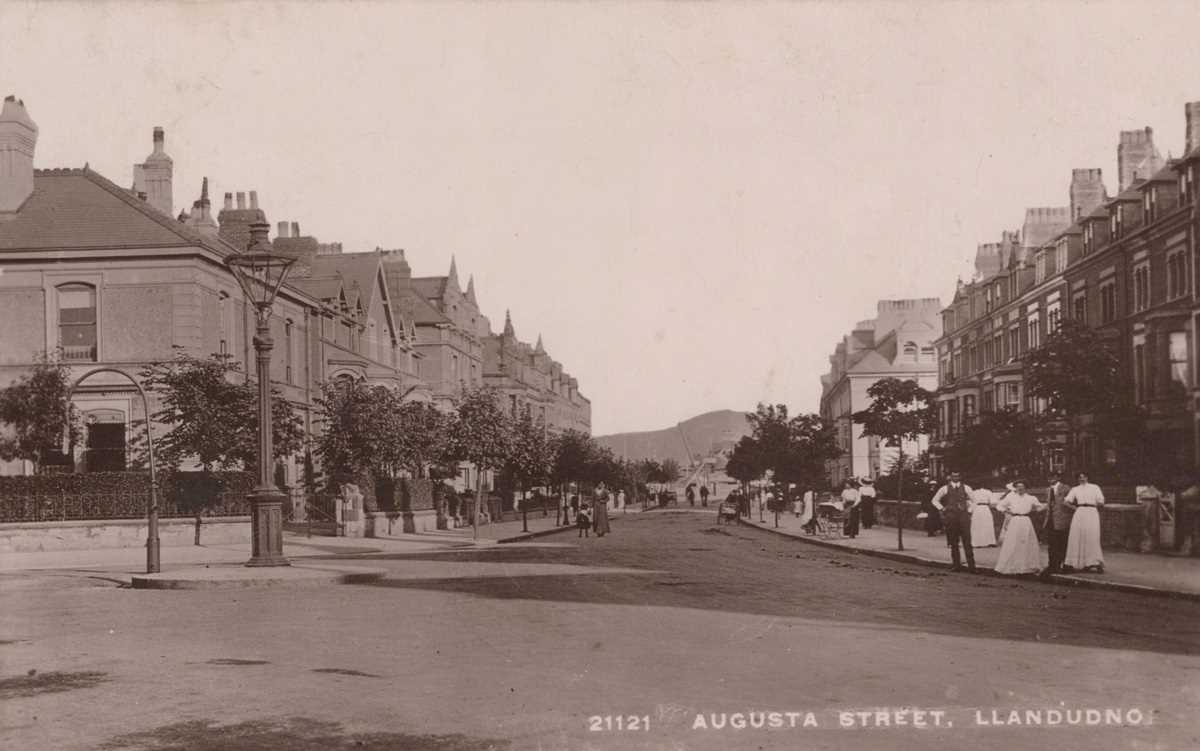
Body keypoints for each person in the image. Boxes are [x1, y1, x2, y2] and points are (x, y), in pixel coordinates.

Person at [993, 480, 1046, 575]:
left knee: (1026, 542)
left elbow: (1039, 507)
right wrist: (1006, 511)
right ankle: (1013, 565)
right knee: (1013, 542)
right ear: (1015, 488)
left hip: (1026, 521)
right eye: (1018, 486)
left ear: (1025, 488)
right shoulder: (1011, 497)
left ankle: (1028, 566)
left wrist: (1048, 505)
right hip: (1015, 520)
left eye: (1022, 486)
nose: (1020, 488)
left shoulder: (1031, 498)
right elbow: (999, 506)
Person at [930, 472, 976, 572]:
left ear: (960, 477)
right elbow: (934, 500)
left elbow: (974, 500)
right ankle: (956, 565)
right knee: (954, 542)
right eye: (953, 476)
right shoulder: (944, 488)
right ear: (950, 477)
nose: (955, 477)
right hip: (951, 517)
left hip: (963, 517)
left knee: (967, 541)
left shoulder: (966, 488)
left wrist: (969, 510)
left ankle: (972, 566)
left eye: (957, 475)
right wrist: (942, 509)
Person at [1064, 472, 1105, 572]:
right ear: (1077, 479)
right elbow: (1066, 501)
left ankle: (1093, 562)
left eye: (1084, 477)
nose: (1082, 479)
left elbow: (1101, 501)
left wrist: (1095, 505)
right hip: (1080, 512)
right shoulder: (1075, 489)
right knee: (1077, 536)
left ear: (1087, 477)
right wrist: (1076, 508)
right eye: (1080, 477)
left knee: (1092, 537)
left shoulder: (1095, 487)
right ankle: (1075, 563)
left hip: (1092, 512)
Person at [1042, 471, 1074, 575]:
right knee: (1052, 545)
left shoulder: (1066, 488)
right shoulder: (1047, 490)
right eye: (1049, 477)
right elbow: (1048, 506)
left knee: (1062, 544)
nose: (1051, 479)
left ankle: (1063, 565)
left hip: (1062, 520)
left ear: (1058, 477)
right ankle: (1052, 565)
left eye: (1053, 477)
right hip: (1050, 520)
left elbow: (1071, 503)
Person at [969, 480, 998, 547]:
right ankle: (990, 541)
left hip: (977, 509)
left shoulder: (973, 493)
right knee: (987, 524)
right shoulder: (988, 492)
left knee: (977, 525)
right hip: (985, 508)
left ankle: (977, 542)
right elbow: (993, 502)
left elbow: (971, 503)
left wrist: (970, 511)